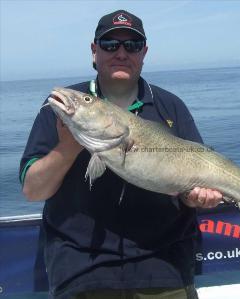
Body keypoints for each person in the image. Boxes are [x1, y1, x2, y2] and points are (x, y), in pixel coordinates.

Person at [20, 10, 222, 299]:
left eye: (132, 45)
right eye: (110, 45)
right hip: (82, 271)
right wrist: (69, 145)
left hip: (164, 266)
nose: (121, 53)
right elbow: (33, 190)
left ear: (144, 52)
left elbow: (193, 181)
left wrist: (197, 197)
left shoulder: (171, 106)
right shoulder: (60, 110)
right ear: (94, 50)